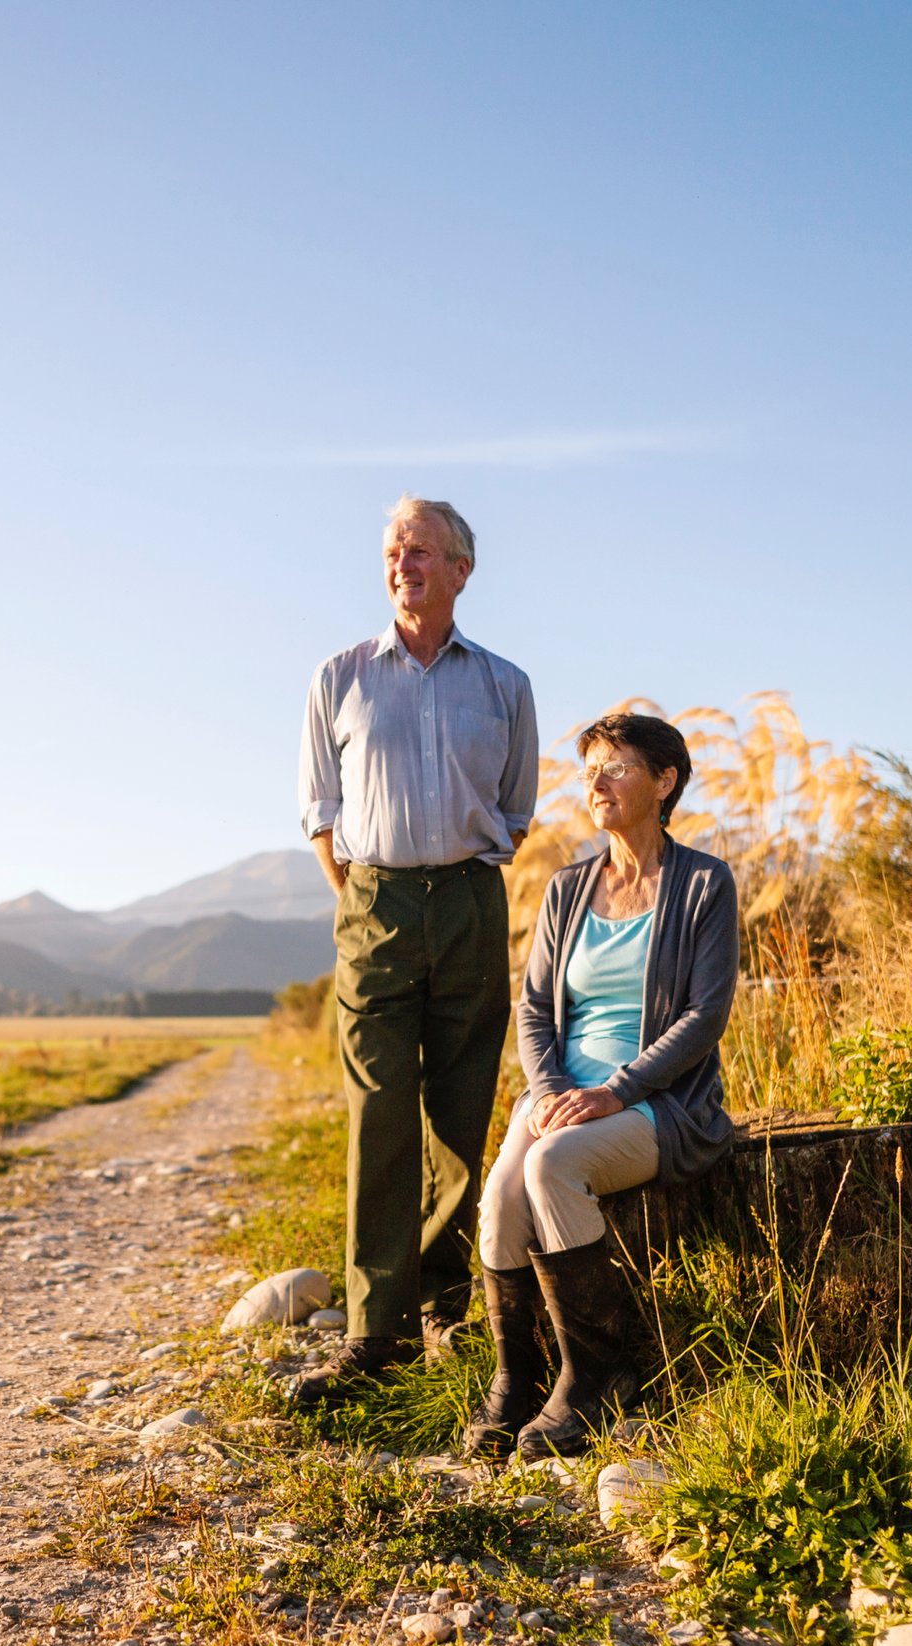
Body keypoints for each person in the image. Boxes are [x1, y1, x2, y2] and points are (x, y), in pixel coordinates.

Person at [290, 496, 539, 1403]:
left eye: (422, 549)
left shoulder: (506, 684)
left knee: (462, 1111)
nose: (404, 561)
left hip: (472, 899)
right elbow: (321, 810)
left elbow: (516, 808)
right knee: (378, 1112)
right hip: (376, 903)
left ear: (461, 569)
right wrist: (362, 897)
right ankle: (374, 1327)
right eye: (394, 548)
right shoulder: (339, 676)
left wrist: (454, 887)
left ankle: (447, 1306)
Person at [464, 711, 739, 1456]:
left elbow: (704, 1015)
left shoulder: (705, 884)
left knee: (555, 1166)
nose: (596, 780)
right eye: (590, 768)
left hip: (659, 1103)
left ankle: (595, 1376)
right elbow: (533, 1007)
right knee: (499, 1199)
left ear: (665, 780)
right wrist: (551, 1086)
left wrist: (614, 1091)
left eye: (616, 766)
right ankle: (514, 1379)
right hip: (562, 1094)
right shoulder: (569, 887)